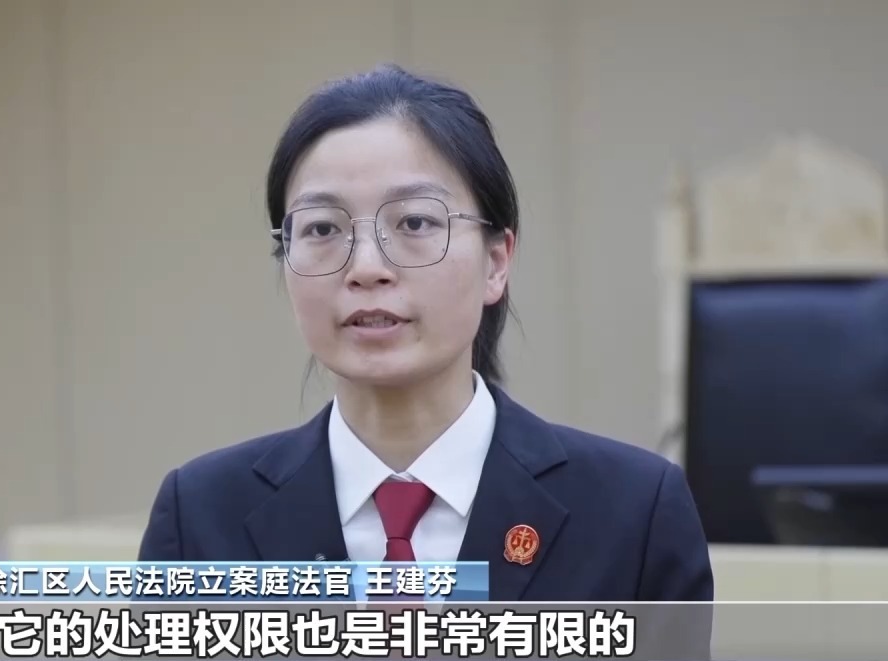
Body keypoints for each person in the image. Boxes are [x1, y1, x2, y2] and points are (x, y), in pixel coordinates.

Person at [137, 64, 713, 603]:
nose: (366, 267)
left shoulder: (633, 514)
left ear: (496, 262)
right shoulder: (200, 518)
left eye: (415, 222)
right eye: (322, 229)